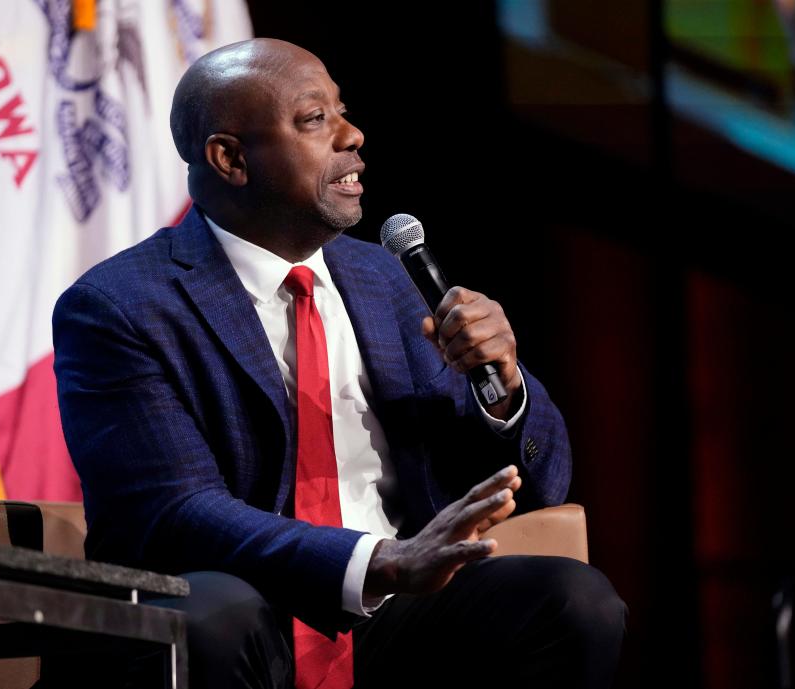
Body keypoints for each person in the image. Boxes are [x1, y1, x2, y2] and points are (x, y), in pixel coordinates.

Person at [48, 38, 625, 689]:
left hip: (388, 621)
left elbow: (541, 487)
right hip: (247, 609)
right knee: (212, 614)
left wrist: (504, 385)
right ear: (230, 158)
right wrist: (375, 561)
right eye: (314, 119)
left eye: (341, 112)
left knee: (573, 600)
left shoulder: (389, 283)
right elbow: (176, 514)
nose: (352, 134)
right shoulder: (120, 306)